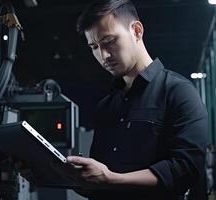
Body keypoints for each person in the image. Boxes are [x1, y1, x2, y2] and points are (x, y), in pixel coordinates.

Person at [18, 0, 208, 199]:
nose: (103, 55)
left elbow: (186, 168)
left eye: (110, 41)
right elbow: (98, 182)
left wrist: (111, 178)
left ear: (136, 30)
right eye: (94, 47)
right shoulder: (107, 105)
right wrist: (49, 175)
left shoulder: (179, 92)